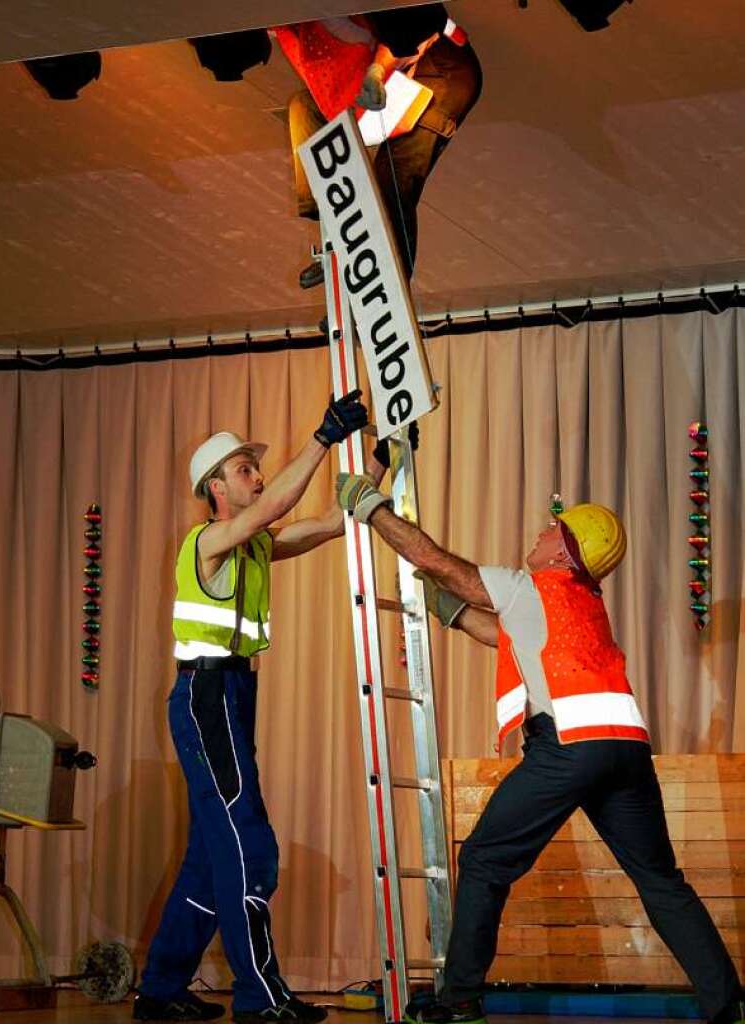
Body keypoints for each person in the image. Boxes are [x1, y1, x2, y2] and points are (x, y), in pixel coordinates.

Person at [335, 474, 745, 1024]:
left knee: (484, 859)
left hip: (568, 748)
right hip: (625, 751)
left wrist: (373, 509)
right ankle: (728, 1006)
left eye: (554, 528)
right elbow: (505, 633)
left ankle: (458, 999)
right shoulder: (581, 602)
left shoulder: (533, 587)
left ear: (565, 552)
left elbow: (437, 561)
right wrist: (453, 614)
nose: (542, 530)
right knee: (660, 879)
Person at [133, 390, 373, 1023]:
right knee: (249, 846)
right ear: (215, 487)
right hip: (206, 695)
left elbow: (330, 523)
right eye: (244, 469)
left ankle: (158, 991)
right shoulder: (209, 539)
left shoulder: (254, 543)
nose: (257, 476)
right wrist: (322, 438)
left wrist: (385, 464)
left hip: (232, 694)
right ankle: (260, 997)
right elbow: (278, 504)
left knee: (211, 861)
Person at [274, 3, 482, 288]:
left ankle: (388, 288)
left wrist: (376, 71)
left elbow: (412, 29)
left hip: (437, 69)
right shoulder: (289, 19)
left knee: (393, 179)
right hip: (380, 74)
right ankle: (336, 233)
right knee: (304, 107)